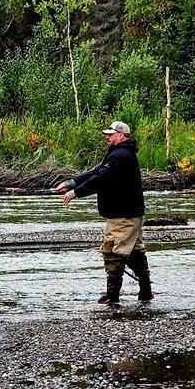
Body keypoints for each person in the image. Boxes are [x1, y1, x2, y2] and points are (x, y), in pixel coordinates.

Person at [53, 121, 153, 304]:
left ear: (121, 135)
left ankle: (112, 297)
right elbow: (97, 171)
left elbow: (99, 179)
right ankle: (146, 292)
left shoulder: (121, 156)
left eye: (111, 134)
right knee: (134, 252)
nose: (107, 137)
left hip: (123, 216)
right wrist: (71, 183)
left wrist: (75, 193)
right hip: (131, 214)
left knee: (114, 253)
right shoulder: (120, 154)